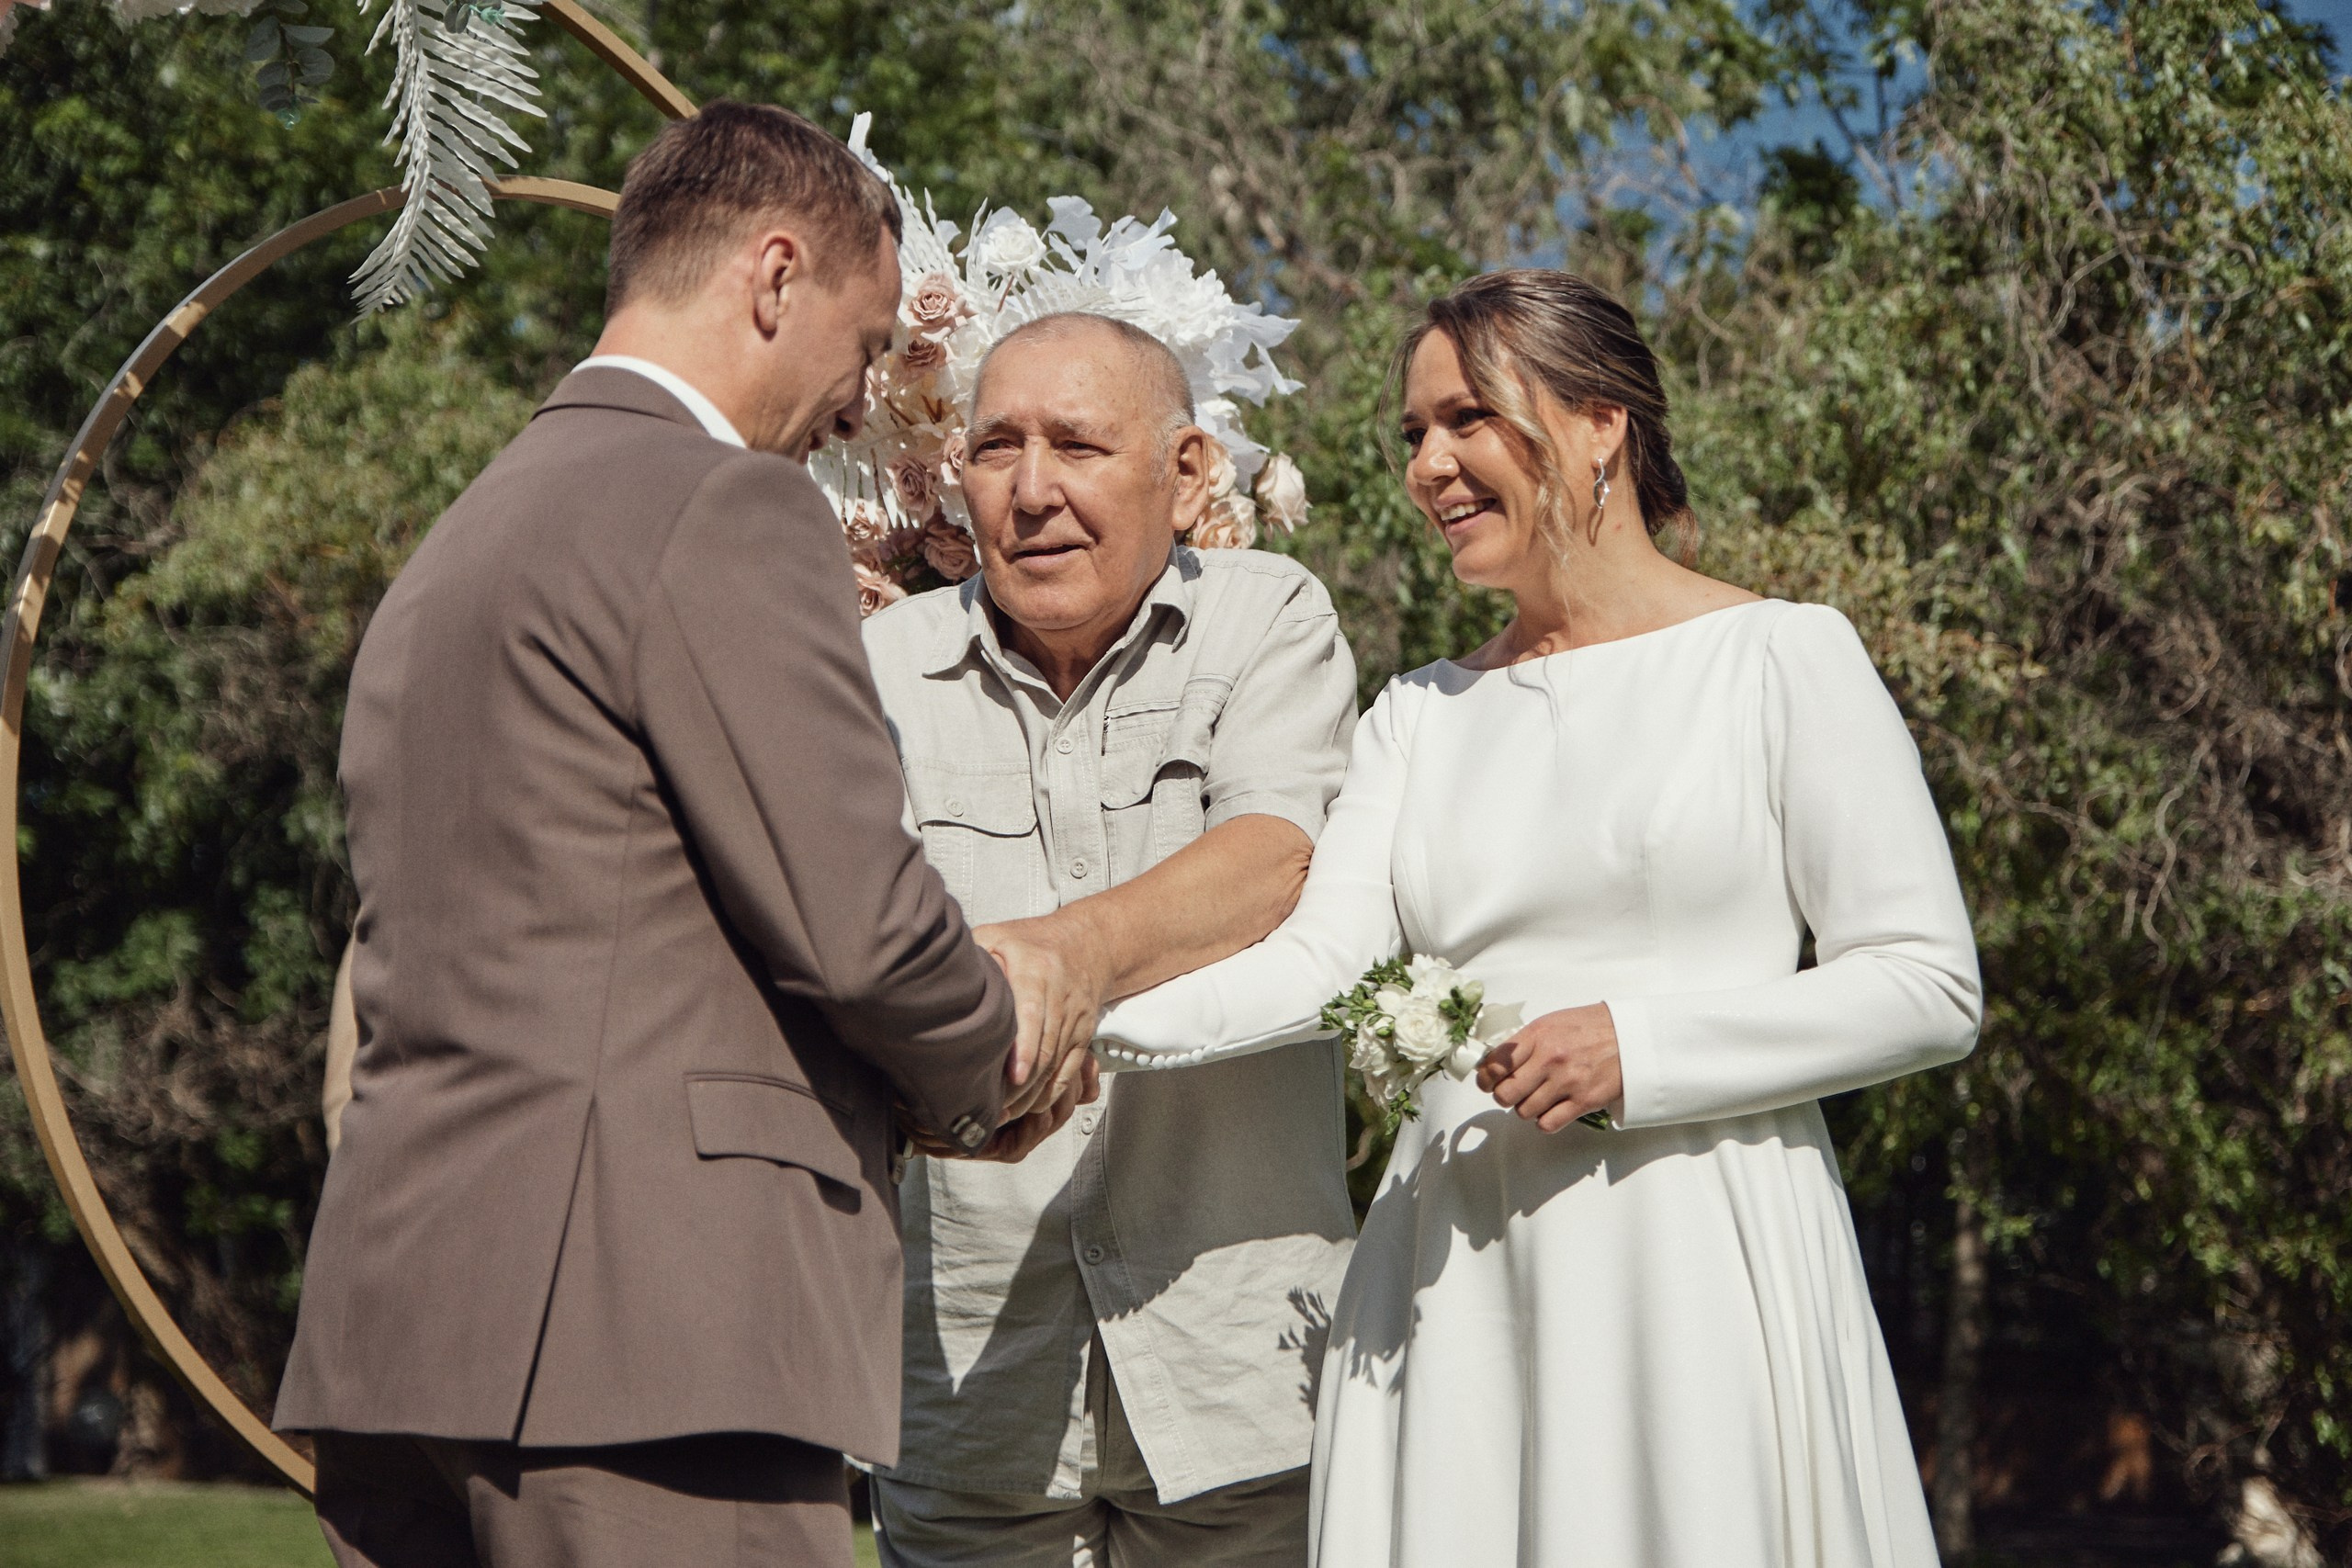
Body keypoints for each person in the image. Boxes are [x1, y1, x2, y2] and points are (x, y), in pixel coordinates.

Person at [277, 103, 1093, 1568]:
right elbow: (853, 923)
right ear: (773, 277)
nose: (856, 405)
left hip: (405, 1333)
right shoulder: (724, 505)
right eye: (859, 346)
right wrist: (994, 1063)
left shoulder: (459, 545)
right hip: (644, 1338)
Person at [1092, 269, 1984, 1567]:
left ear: (1600, 424)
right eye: (1413, 436)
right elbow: (1315, 965)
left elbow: (1926, 984)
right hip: (1456, 1282)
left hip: (1694, 1253)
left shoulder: (1782, 660)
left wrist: (1644, 1048)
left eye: (1467, 420)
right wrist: (1079, 1021)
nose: (1429, 467)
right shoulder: (1418, 715)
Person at [860, 311, 1360, 1567]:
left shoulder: (1268, 618)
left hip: (1244, 1359)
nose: (1032, 492)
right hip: (965, 1375)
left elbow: (1276, 858)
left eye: (1080, 446)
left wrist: (1070, 956)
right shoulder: (874, 666)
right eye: (996, 449)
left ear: (1186, 474)